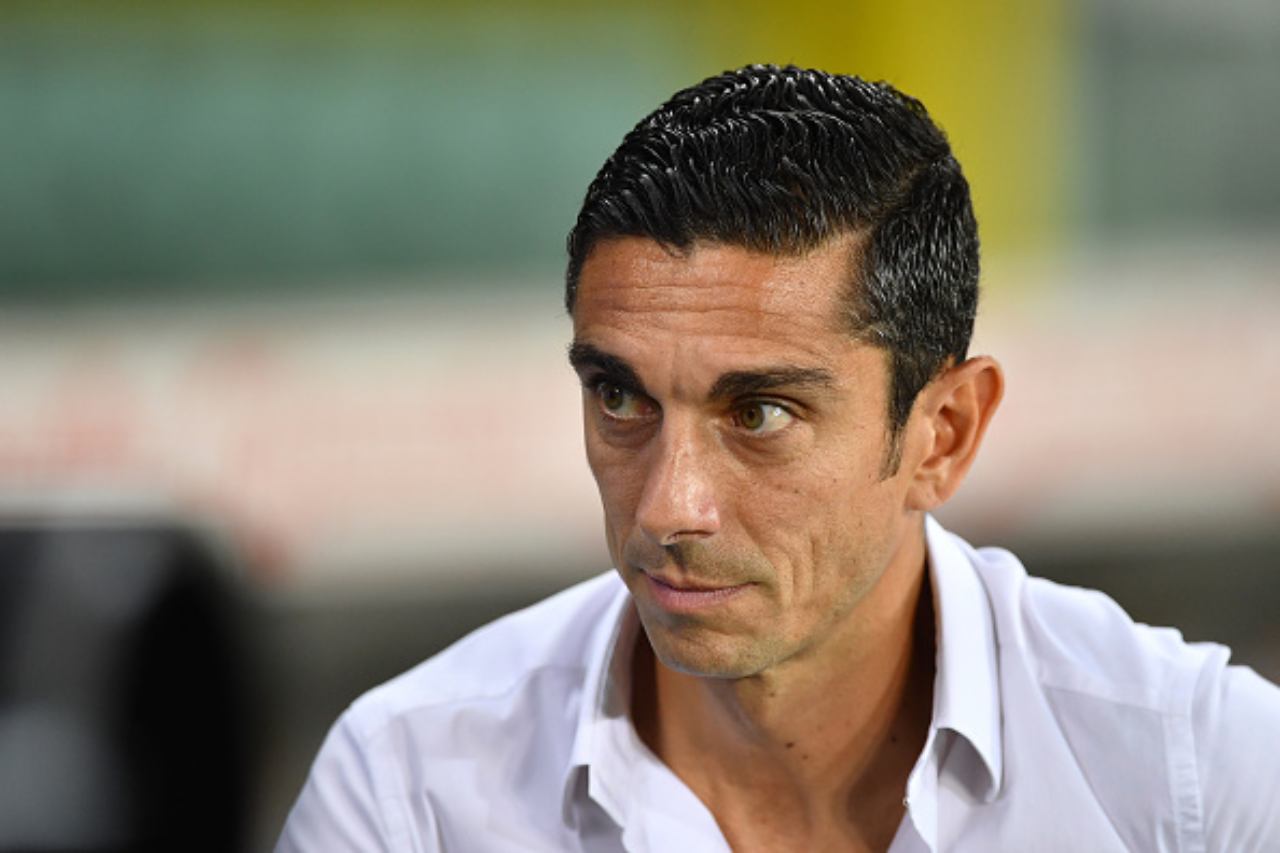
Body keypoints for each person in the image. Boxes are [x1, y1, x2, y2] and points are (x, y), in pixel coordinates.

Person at [278, 65, 1280, 852]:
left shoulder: (1197, 775)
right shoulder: (407, 790)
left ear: (943, 434)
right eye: (619, 398)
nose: (667, 508)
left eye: (758, 413)